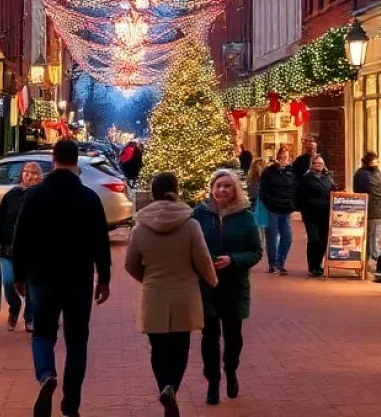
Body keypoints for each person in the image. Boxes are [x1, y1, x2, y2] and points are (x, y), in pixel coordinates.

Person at [12, 138, 112, 417]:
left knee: (43, 333)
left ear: (53, 160)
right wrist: (103, 278)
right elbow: (100, 242)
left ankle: (46, 375)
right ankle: (71, 405)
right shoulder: (89, 198)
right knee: (77, 342)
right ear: (76, 162)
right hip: (78, 281)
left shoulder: (34, 195)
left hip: (42, 278)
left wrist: (19, 275)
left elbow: (21, 238)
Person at [125, 172, 218, 417]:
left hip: (154, 294)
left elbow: (130, 264)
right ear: (176, 191)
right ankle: (171, 388)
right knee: (180, 348)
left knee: (158, 349)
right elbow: (203, 259)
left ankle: (164, 386)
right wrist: (212, 280)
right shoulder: (190, 224)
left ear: (153, 193)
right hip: (184, 293)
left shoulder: (140, 227)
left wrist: (146, 279)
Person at [193, 169, 263, 405]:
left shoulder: (246, 216)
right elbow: (190, 246)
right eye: (218, 185)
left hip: (234, 286)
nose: (222, 190)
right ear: (211, 188)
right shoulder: (199, 214)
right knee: (209, 337)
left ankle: (230, 370)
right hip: (207, 286)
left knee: (233, 338)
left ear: (235, 189)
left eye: (227, 186)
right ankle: (212, 382)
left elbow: (256, 251)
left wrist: (233, 260)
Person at [0, 161, 43, 331]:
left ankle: (30, 318)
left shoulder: (40, 196)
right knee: (8, 282)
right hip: (8, 249)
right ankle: (14, 309)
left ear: (40, 176)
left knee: (31, 285)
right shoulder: (11, 196)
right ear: (21, 174)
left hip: (32, 251)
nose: (30, 176)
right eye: (27, 172)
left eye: (35, 173)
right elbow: (0, 220)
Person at [294, 155, 335, 277]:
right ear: (312, 164)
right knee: (314, 239)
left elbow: (332, 190)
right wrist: (302, 209)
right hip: (311, 213)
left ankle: (318, 265)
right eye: (316, 163)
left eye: (320, 163)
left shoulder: (328, 178)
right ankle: (312, 266)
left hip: (325, 212)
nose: (318, 165)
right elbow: (299, 195)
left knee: (323, 240)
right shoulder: (306, 178)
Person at [257, 146, 296, 274]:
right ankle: (273, 263)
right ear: (277, 157)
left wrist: (292, 204)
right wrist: (269, 202)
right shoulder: (269, 172)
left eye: (286, 156)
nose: (283, 159)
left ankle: (281, 262)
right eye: (281, 156)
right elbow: (263, 191)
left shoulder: (292, 172)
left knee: (287, 236)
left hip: (286, 209)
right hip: (272, 208)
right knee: (272, 236)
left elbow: (296, 189)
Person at [353, 152, 381, 265]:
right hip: (379, 211)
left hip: (365, 210)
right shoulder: (380, 173)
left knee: (368, 238)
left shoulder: (360, 174)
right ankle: (377, 264)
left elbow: (357, 191)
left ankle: (368, 262)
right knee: (375, 238)